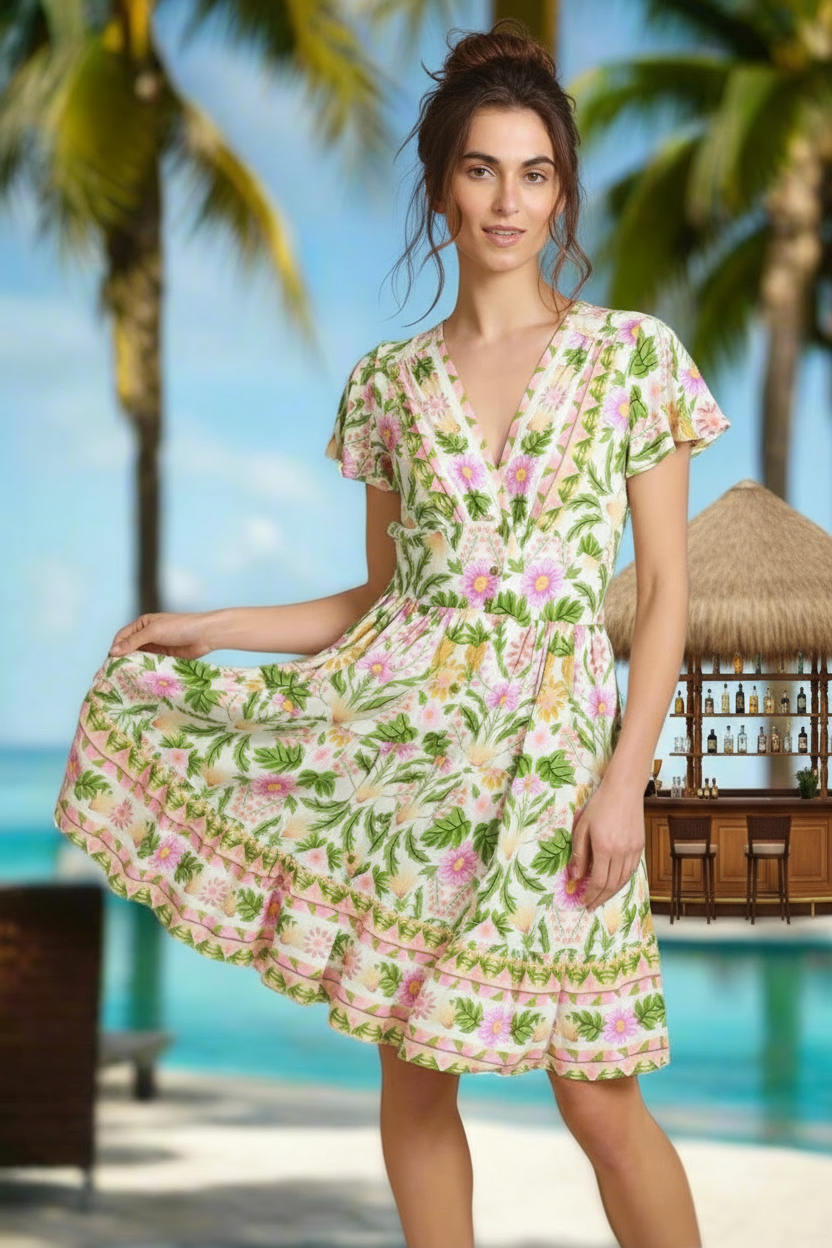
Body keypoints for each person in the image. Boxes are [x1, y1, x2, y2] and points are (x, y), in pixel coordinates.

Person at [53, 19, 730, 1248]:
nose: (508, 200)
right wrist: (215, 628)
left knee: (596, 1091)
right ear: (440, 186)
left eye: (534, 173)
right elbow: (385, 602)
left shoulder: (633, 360)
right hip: (410, 758)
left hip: (558, 758)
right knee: (414, 1080)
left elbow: (665, 595)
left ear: (561, 188)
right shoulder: (387, 386)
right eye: (482, 170)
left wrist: (624, 780)